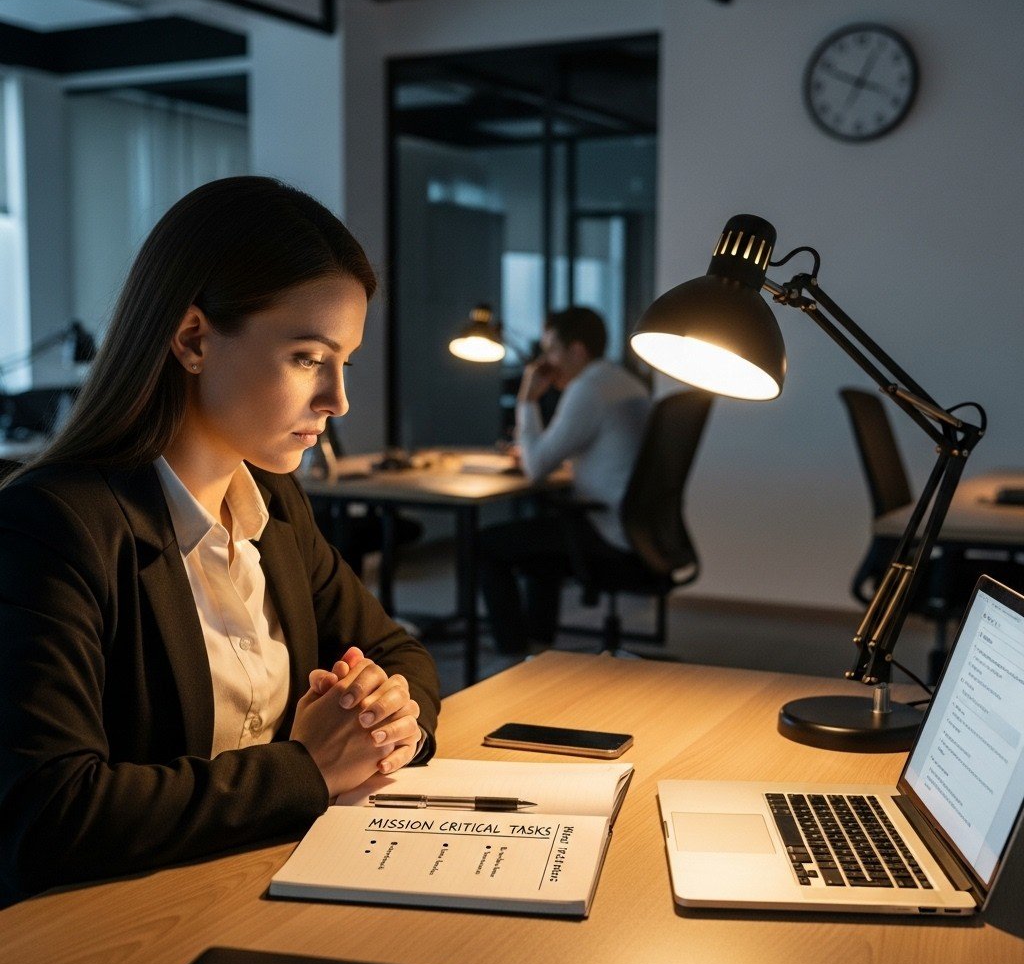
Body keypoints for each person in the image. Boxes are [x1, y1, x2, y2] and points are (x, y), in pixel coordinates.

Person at [0, 176, 440, 904]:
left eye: (345, 362)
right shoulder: (52, 527)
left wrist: (389, 718)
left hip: (254, 886)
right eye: (307, 358)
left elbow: (399, 655)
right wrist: (308, 768)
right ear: (193, 339)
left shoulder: (274, 502)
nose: (338, 400)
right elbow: (46, 816)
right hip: (113, 938)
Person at [478, 306, 650, 655]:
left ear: (577, 351)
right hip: (640, 529)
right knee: (540, 538)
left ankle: (513, 652)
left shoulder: (588, 389)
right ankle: (538, 644)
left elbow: (537, 466)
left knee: (486, 545)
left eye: (552, 350)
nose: (546, 361)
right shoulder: (621, 380)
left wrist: (527, 399)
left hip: (606, 527)